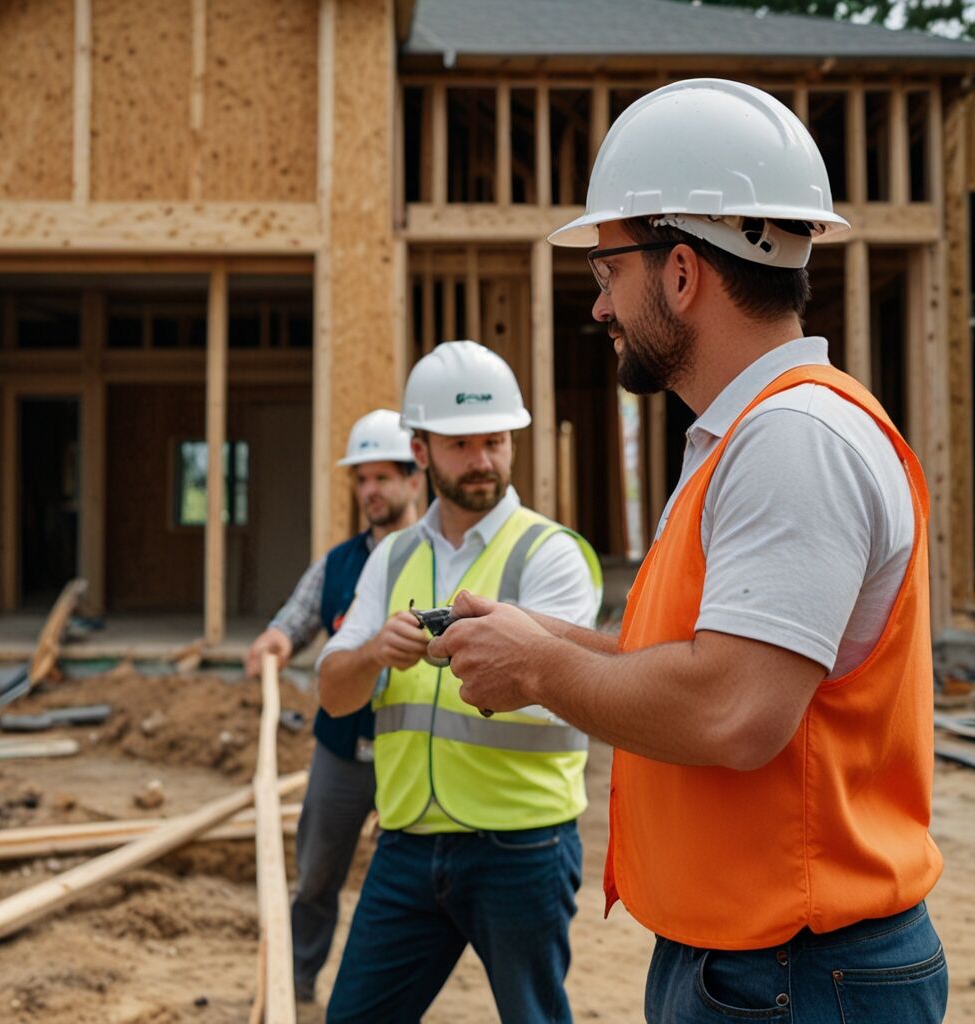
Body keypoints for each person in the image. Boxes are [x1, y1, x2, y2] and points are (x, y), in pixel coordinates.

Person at [431, 80, 948, 1023]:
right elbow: (702, 670)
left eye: (605, 273)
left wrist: (542, 669)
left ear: (679, 272)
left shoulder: (794, 440)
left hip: (796, 972)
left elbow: (737, 713)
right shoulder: (749, 435)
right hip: (765, 962)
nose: (599, 308)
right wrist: (538, 638)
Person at [316, 340, 603, 1024]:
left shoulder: (550, 553)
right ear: (420, 452)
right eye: (460, 444)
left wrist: (487, 656)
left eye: (496, 441)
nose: (482, 460)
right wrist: (371, 656)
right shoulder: (391, 556)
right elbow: (332, 692)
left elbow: (566, 691)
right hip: (408, 839)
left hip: (522, 844)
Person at [244, 408, 421, 1008]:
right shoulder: (339, 563)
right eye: (361, 479)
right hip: (343, 750)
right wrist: (276, 640)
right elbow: (295, 620)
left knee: (420, 885)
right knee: (317, 875)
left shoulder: (432, 558)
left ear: (413, 477)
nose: (370, 491)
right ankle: (293, 982)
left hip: (417, 750)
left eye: (382, 478)